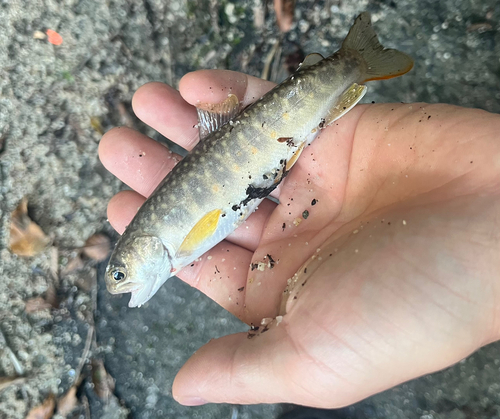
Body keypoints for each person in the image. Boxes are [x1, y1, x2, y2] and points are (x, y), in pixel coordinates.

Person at [99, 69, 500, 408]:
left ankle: (346, 66)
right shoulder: (171, 250)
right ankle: (345, 67)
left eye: (121, 274)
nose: (121, 284)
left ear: (141, 251)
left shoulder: (180, 249)